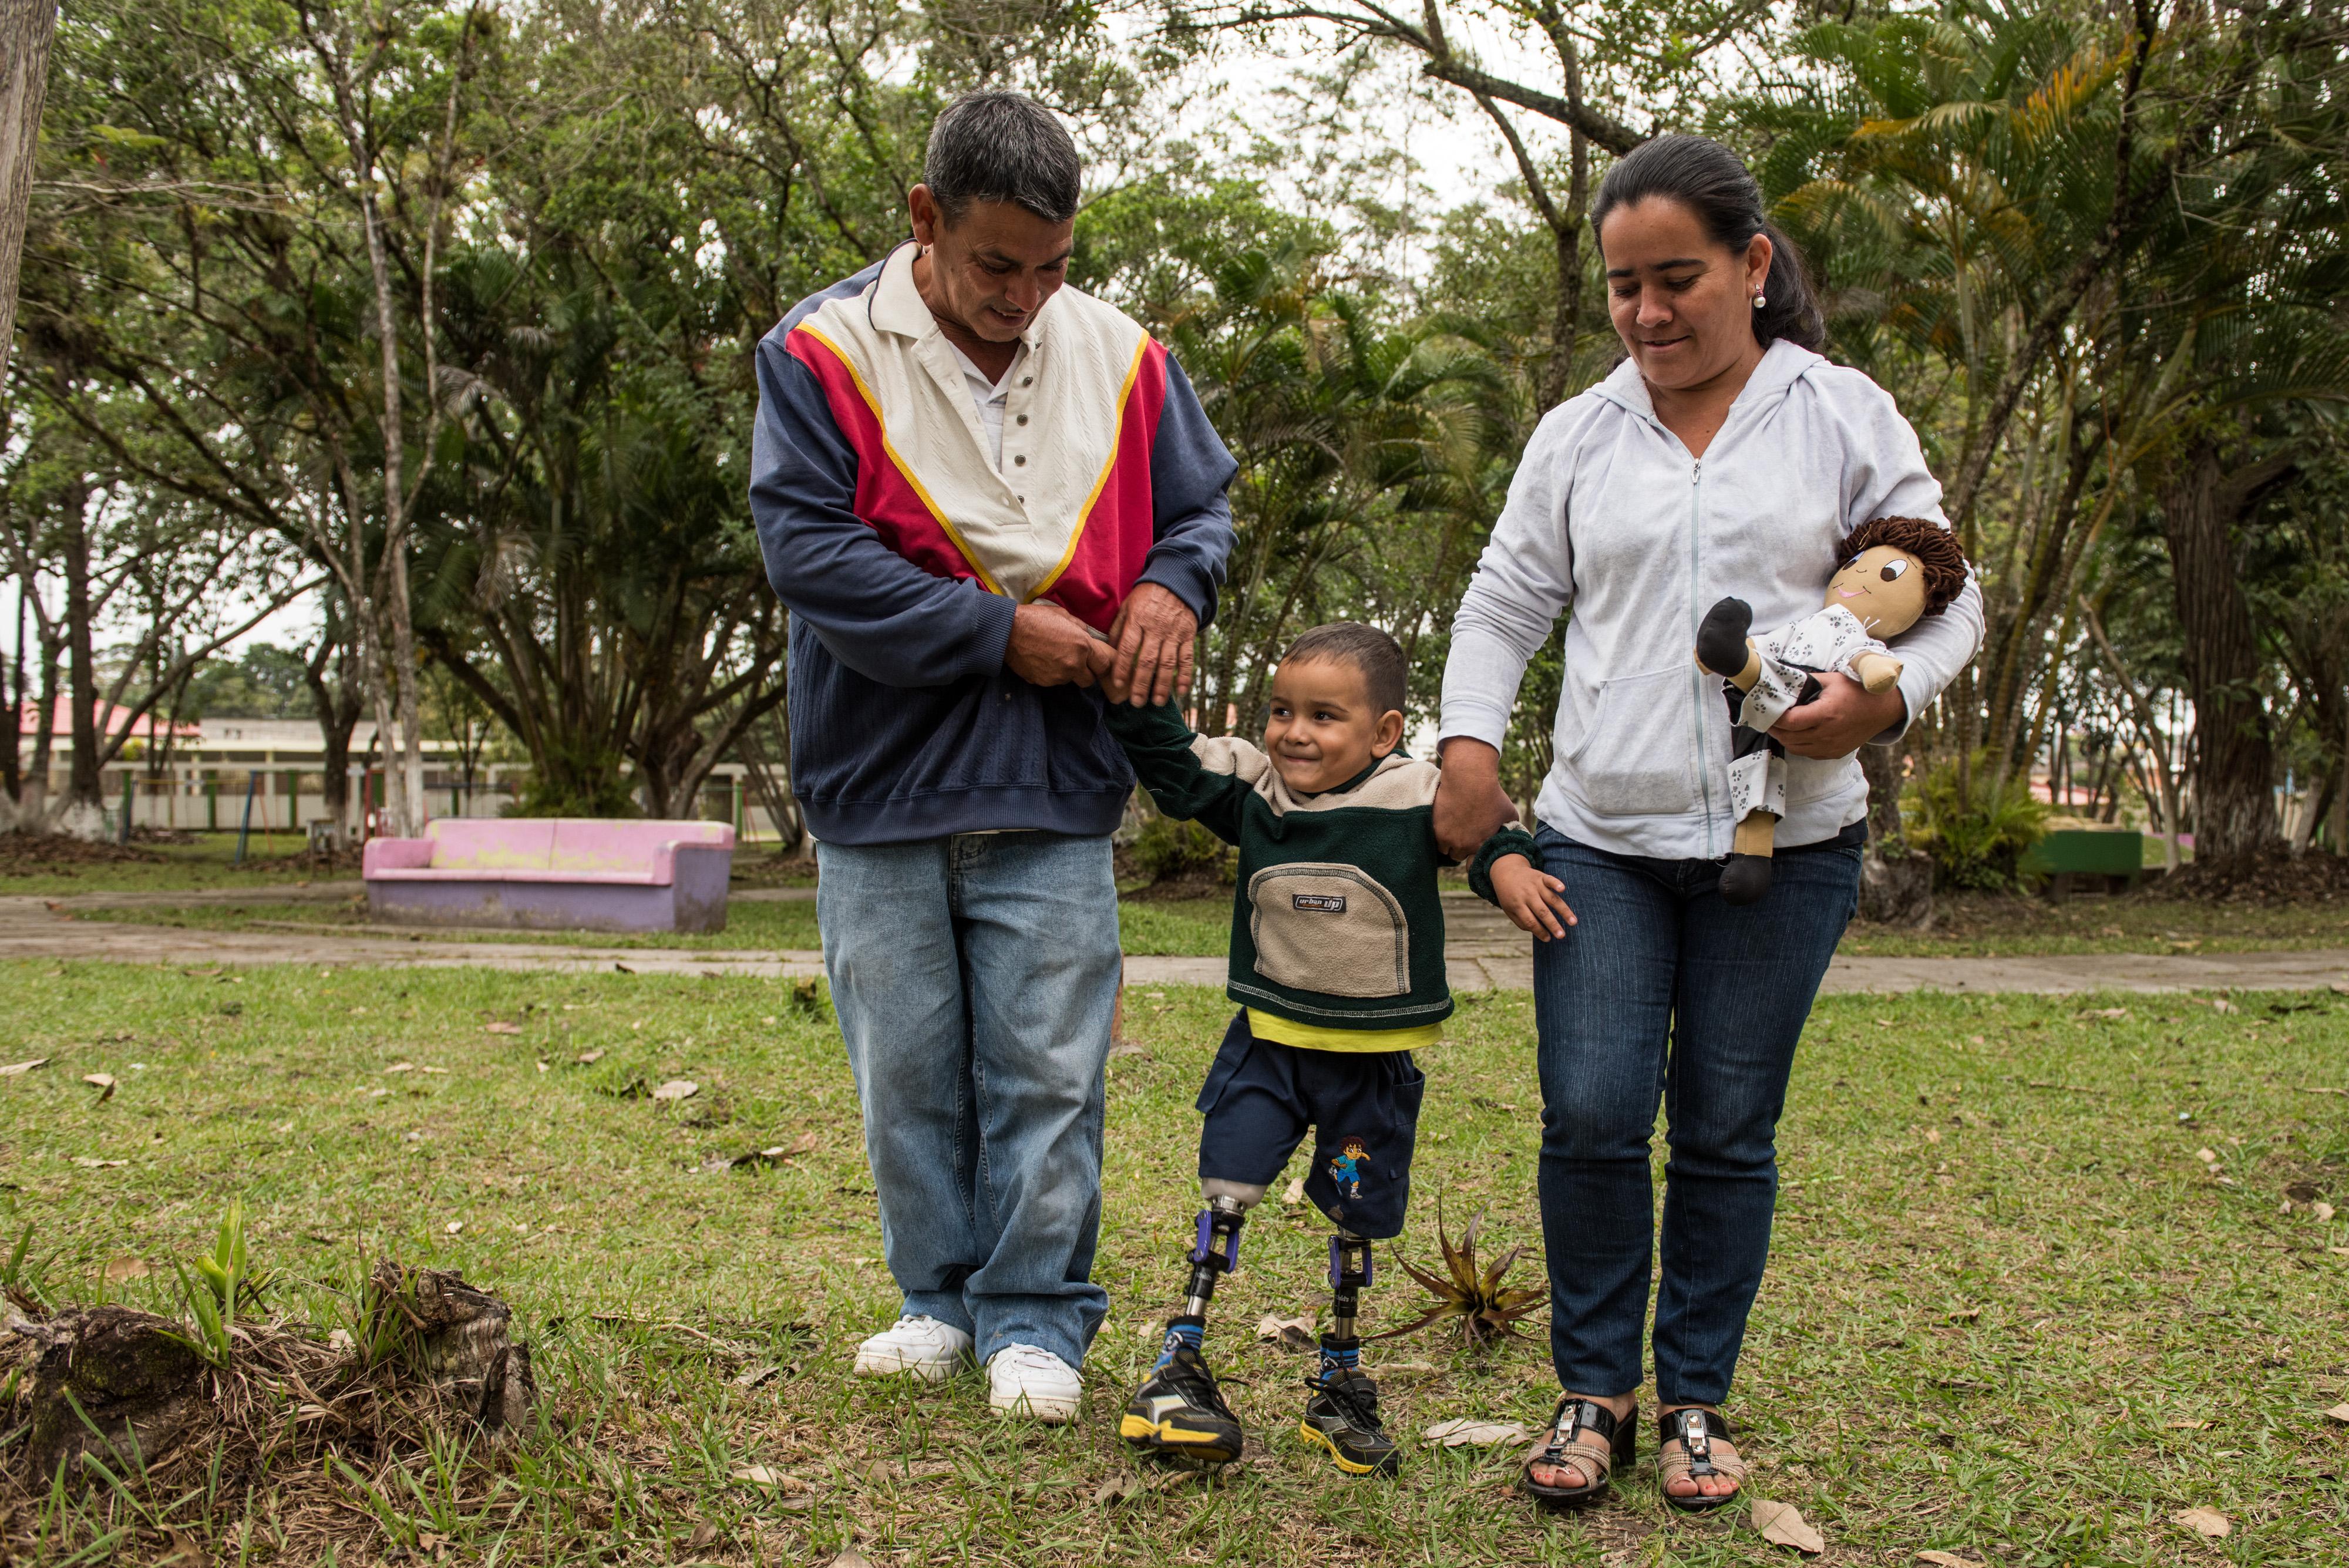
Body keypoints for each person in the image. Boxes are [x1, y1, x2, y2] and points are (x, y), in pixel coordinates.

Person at [1432, 134, 1983, 1511]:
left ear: (1750, 265)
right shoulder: (1577, 433)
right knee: (1593, 1110)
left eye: (1674, 278)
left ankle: (1692, 1401)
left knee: (1728, 1126)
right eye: (1622, 287)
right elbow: (1505, 604)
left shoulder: (1840, 412)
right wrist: (1466, 749)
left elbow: (1940, 585)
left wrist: (1885, 701)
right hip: (1596, 840)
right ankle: (1589, 1389)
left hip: (1787, 842)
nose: (1645, 313)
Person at [748, 90, 1237, 1422]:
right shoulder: (820, 351)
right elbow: (809, 554)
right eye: (994, 265)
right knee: (904, 1068)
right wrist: (989, 632)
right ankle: (935, 1298)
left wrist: (1169, 593)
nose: (1024, 295)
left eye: (1052, 266)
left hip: (1055, 781)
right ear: (925, 220)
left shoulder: (1126, 359)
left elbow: (1199, 509)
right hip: (877, 778)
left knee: (1046, 1065)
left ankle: (1034, 1312)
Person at [1101, 623, 1547, 1475]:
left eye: (1323, 716)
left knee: (1354, 1208)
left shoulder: (1418, 790)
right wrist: (1131, 682)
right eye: (1280, 710)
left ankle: (1339, 1382)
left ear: (1383, 731)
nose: (1293, 731)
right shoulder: (1260, 790)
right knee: (1225, 1191)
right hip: (1267, 1052)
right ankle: (1179, 1362)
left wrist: (1509, 866)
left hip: (1366, 1074)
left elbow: (1486, 826)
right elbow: (1175, 759)